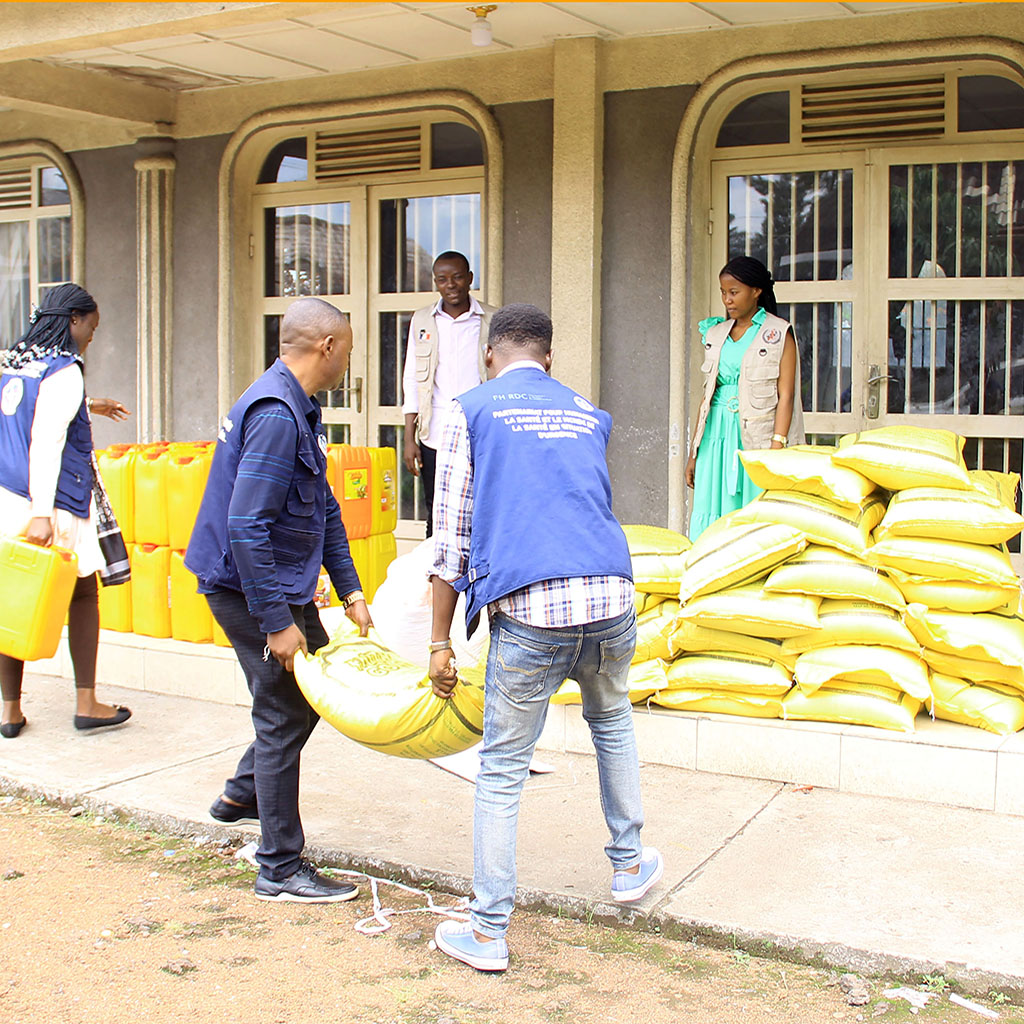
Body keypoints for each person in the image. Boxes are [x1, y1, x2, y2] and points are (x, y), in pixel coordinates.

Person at [427, 303, 663, 973]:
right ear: (549, 358)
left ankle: (488, 931)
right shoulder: (587, 412)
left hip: (534, 606)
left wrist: (440, 642)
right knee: (612, 721)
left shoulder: (470, 411)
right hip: (611, 596)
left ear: (489, 355)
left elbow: (451, 537)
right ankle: (628, 865)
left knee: (503, 766)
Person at [185, 297, 372, 903]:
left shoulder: (299, 406)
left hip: (277, 580)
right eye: (348, 348)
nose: (349, 360)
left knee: (309, 698)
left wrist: (351, 590)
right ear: (327, 346)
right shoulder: (275, 414)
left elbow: (324, 509)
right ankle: (279, 867)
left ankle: (242, 794)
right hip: (247, 585)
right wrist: (274, 622)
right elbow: (245, 527)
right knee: (284, 712)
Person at [0, 284, 132, 739]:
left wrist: (90, 404)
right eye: (91, 327)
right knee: (83, 592)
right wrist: (42, 514)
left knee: (12, 596)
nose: (92, 337)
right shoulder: (64, 369)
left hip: (8, 495)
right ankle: (87, 703)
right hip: (52, 501)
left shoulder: (15, 362)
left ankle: (10, 710)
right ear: (73, 319)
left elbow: (28, 412)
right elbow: (47, 441)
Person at [685, 255, 804, 540]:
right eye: (723, 292)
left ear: (756, 291)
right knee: (711, 506)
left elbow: (786, 396)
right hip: (716, 434)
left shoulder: (778, 333)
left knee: (754, 505)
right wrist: (694, 452)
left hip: (756, 433)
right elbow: (707, 395)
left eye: (734, 292)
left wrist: (778, 444)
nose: (727, 299)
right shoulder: (715, 334)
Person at [401, 250, 497, 537]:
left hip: (480, 431)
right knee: (436, 508)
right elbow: (412, 379)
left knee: (482, 507)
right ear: (435, 282)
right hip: (436, 434)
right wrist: (409, 438)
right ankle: (436, 565)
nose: (450, 285)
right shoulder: (422, 320)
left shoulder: (492, 318)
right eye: (442, 279)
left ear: (470, 278)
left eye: (457, 277)